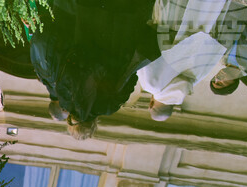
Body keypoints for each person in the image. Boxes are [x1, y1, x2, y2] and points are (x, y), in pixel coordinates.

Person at [29, 0, 159, 139]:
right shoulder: (65, 96)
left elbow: (132, 78)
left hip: (122, 32)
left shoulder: (110, 107)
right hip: (88, 25)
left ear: (93, 125)